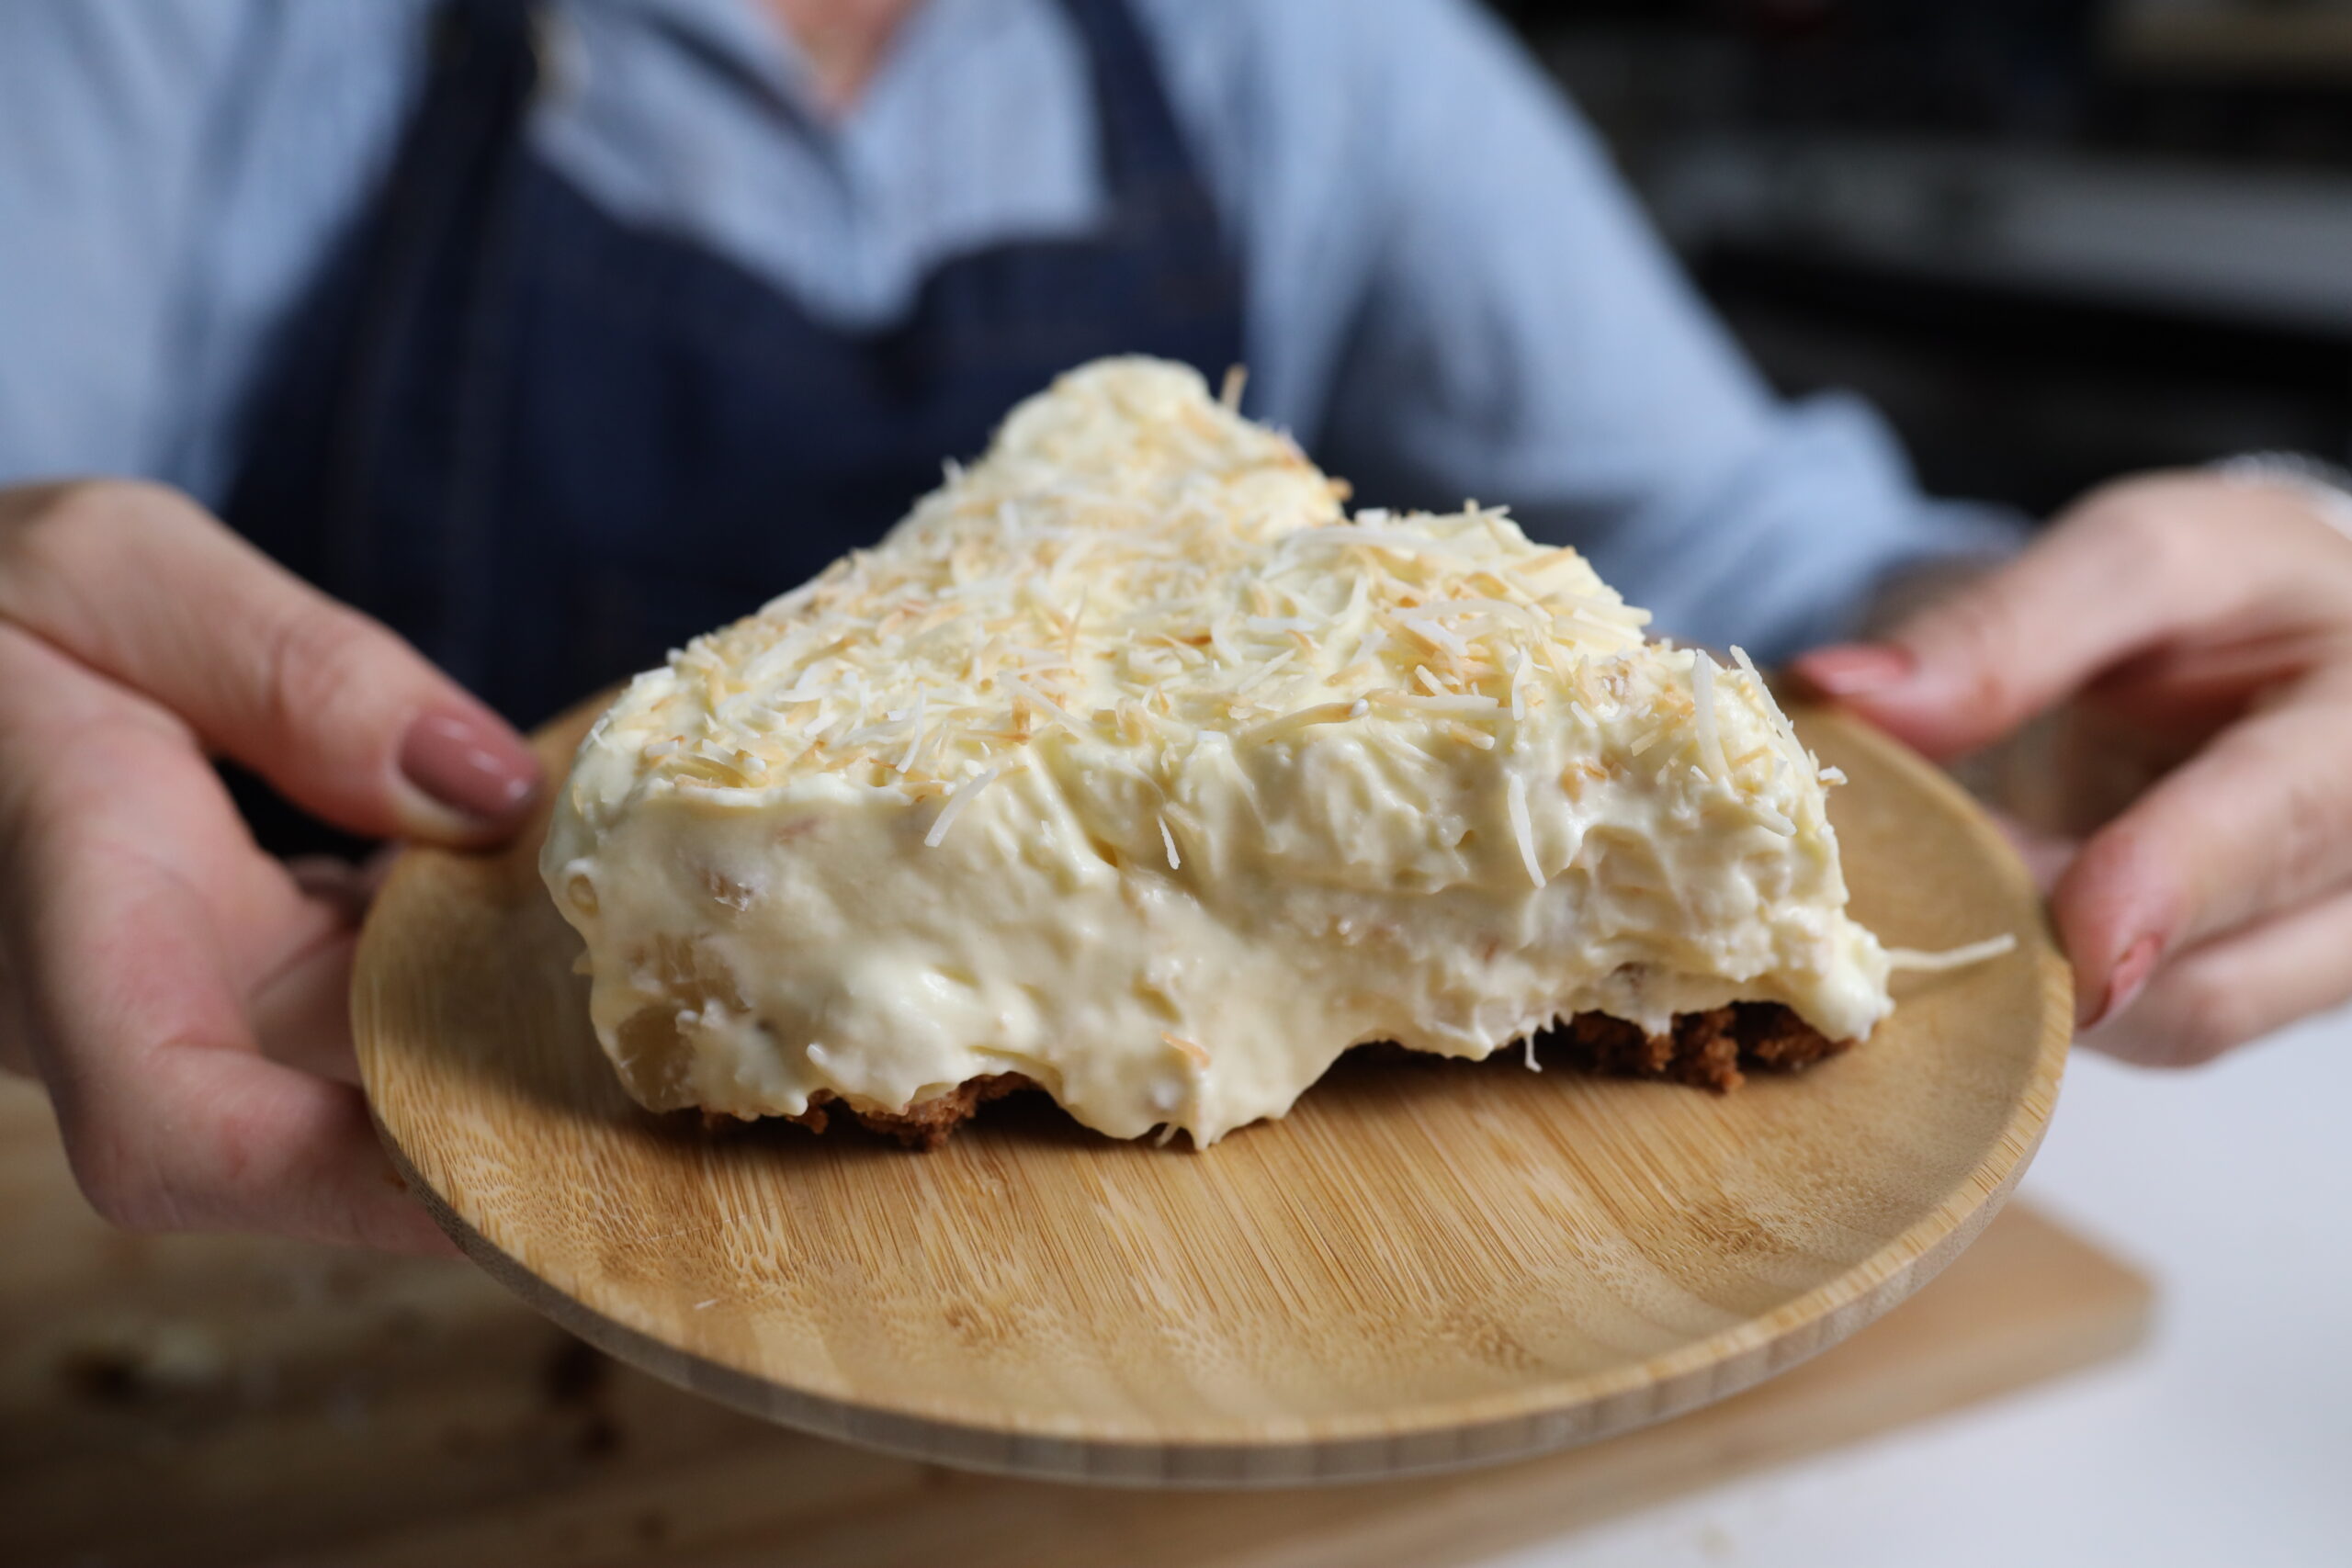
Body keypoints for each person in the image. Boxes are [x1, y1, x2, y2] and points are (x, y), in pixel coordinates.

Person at [2, 0, 2347, 1254]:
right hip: (336, 1292)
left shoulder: (1307, 42)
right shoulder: (204, 34)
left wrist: (2110, 649)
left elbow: (1770, 568)